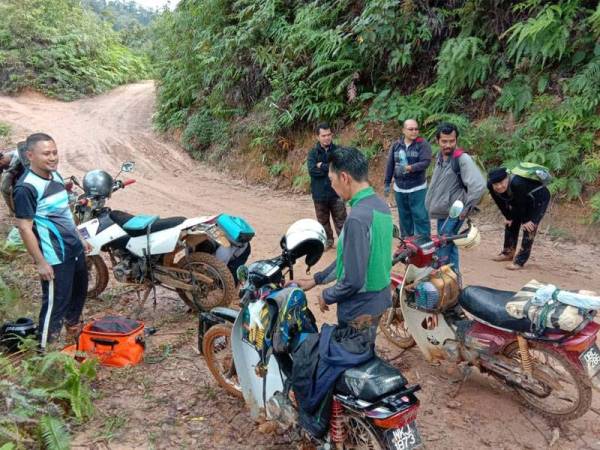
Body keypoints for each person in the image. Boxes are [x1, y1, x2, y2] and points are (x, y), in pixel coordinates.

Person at [294, 146, 393, 342]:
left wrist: (327, 295)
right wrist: (317, 280)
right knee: (364, 350)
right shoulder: (380, 206)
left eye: (332, 180)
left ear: (344, 178)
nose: (332, 186)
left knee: (350, 360)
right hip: (379, 299)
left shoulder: (357, 219)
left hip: (359, 308)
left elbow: (353, 280)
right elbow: (348, 259)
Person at [14, 133, 90, 347]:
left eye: (55, 152)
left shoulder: (55, 177)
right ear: (30, 155)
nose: (53, 157)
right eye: (46, 153)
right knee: (55, 306)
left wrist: (80, 238)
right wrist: (40, 262)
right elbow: (24, 227)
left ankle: (71, 341)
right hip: (55, 256)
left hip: (73, 249)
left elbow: (65, 212)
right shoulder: (26, 187)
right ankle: (44, 352)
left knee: (78, 296)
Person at [425, 122, 485, 271]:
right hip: (443, 210)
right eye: (444, 141)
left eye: (452, 141)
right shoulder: (440, 158)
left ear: (456, 140)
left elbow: (478, 186)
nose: (448, 145)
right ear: (437, 141)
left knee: (443, 245)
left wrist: (467, 207)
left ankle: (443, 278)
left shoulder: (462, 159)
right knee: (449, 245)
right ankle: (454, 282)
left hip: (455, 212)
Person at [487, 167, 550, 270]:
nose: (499, 186)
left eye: (501, 183)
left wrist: (526, 220)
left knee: (529, 227)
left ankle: (520, 261)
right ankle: (508, 252)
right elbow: (500, 201)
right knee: (510, 223)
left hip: (538, 198)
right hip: (521, 200)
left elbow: (522, 203)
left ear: (507, 178)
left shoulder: (517, 183)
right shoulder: (490, 185)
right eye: (496, 184)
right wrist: (508, 216)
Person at [383, 119, 432, 238]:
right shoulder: (396, 145)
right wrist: (387, 182)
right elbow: (390, 164)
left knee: (420, 215)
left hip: (417, 188)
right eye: (411, 129)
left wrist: (410, 168)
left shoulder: (422, 144)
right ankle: (407, 243)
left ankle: (424, 243)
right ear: (403, 130)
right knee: (404, 217)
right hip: (400, 188)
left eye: (416, 129)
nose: (414, 131)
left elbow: (425, 162)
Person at [307, 123, 347, 249]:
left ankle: (345, 242)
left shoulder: (337, 151)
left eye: (329, 135)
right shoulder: (313, 153)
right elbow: (312, 171)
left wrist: (321, 166)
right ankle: (328, 241)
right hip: (319, 193)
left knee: (342, 220)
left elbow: (339, 168)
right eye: (323, 135)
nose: (327, 138)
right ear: (318, 137)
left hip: (336, 193)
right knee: (323, 221)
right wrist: (329, 168)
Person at [1, 141, 27, 214]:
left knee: (5, 188)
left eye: (0, 163)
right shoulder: (5, 162)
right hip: (16, 173)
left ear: (2, 157)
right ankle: (14, 211)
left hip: (23, 172)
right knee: (4, 189)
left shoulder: (17, 156)